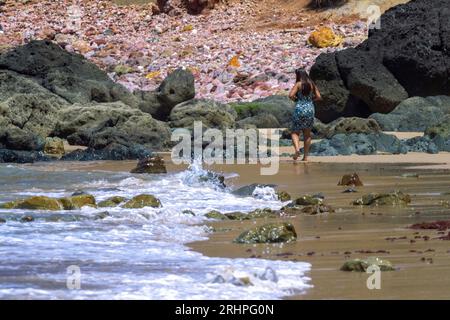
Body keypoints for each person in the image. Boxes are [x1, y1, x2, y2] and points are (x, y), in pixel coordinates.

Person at [288, 68, 322, 161]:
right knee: (307, 134)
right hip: (310, 109)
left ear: (298, 75)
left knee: (295, 132)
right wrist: (311, 100)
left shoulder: (298, 84)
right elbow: (319, 97)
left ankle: (297, 150)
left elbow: (290, 95)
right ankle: (305, 157)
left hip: (299, 108)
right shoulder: (312, 84)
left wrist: (297, 100)